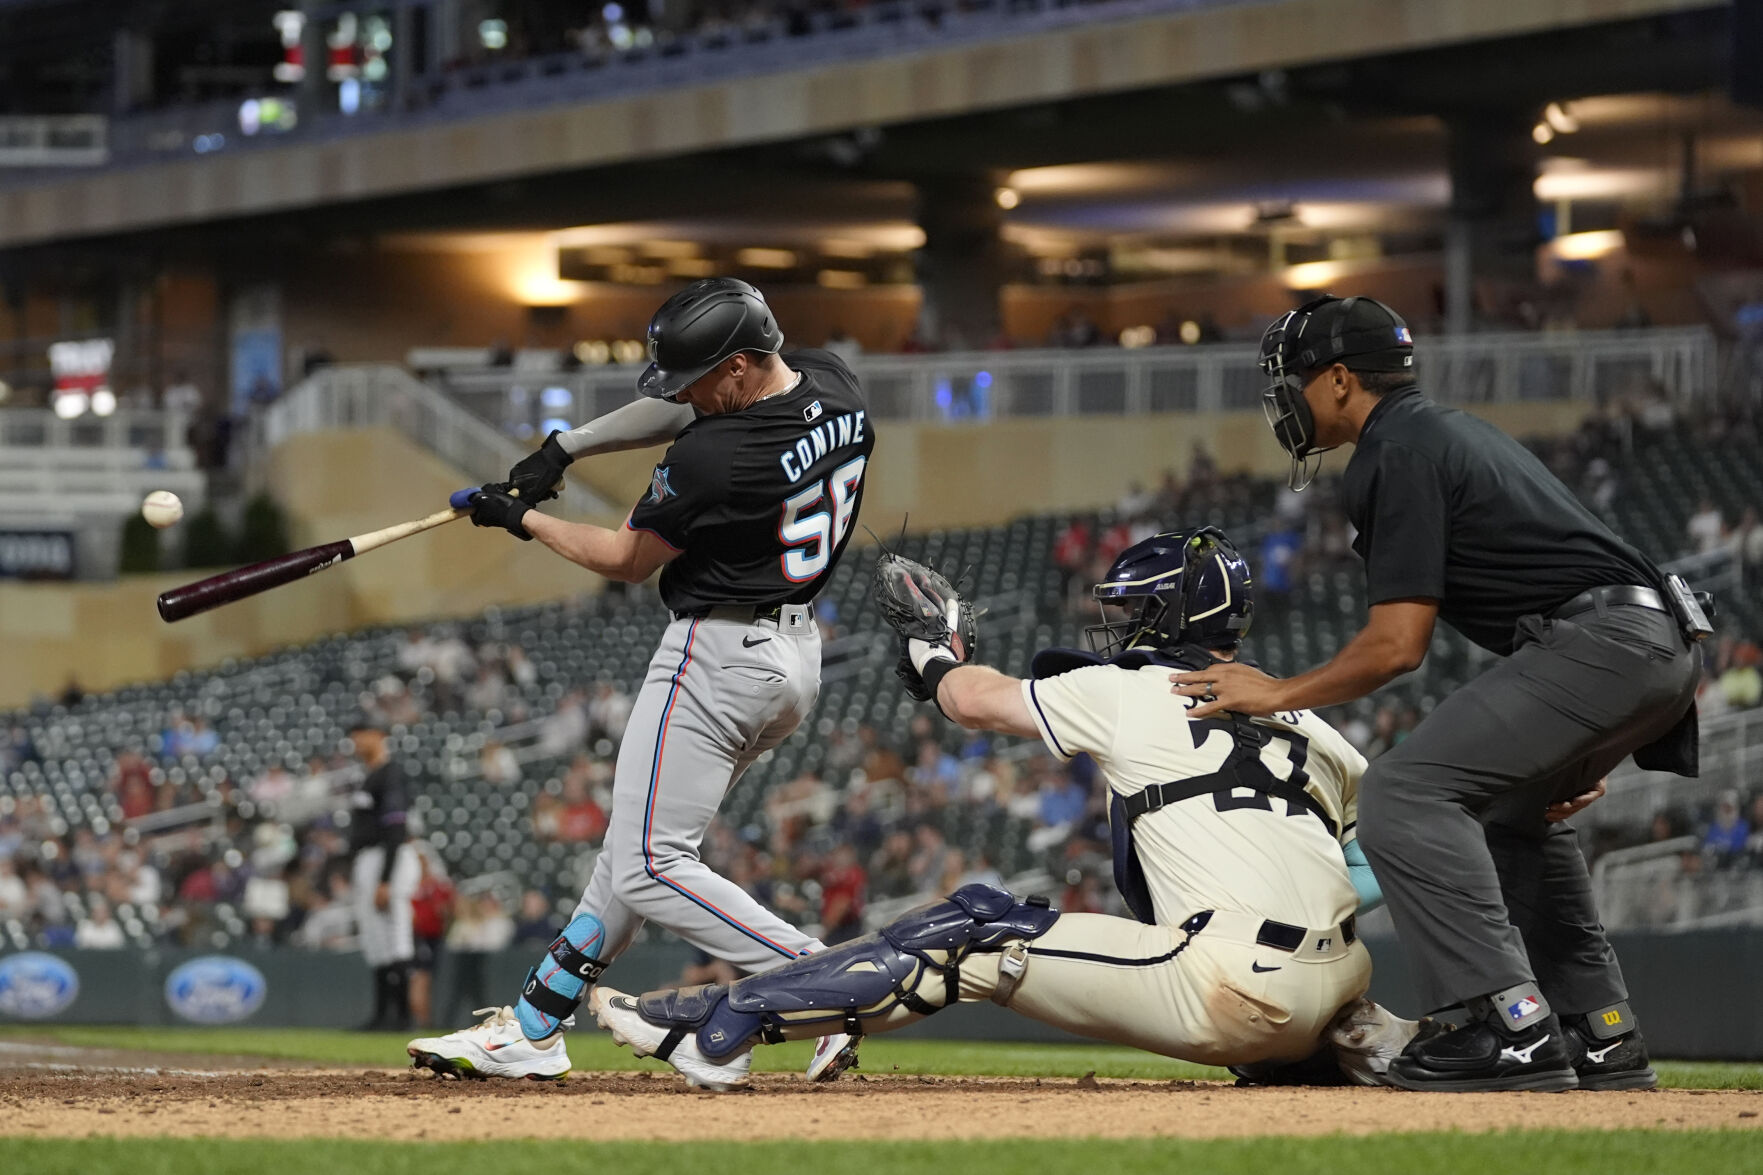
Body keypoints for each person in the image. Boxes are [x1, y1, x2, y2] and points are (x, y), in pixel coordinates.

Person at [589, 530, 1392, 1090]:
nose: (1113, 625)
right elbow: (1365, 871)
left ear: (1161, 617)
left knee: (972, 929)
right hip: (1342, 991)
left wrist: (936, 652)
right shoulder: (1316, 725)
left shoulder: (1130, 690)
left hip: (1232, 989)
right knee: (994, 927)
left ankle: (720, 1027)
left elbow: (971, 702)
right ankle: (1322, 1041)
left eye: (1127, 610)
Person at [1174, 296, 1704, 1092]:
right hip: (1650, 641)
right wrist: (1591, 735)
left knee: (1405, 790)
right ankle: (1598, 1032)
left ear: (1342, 379)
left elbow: (1396, 647)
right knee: (1506, 816)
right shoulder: (1446, 429)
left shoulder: (1395, 451)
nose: (1286, 394)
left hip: (1603, 643)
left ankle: (1499, 1023)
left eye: (1297, 377)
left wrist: (1272, 690)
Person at [408, 278, 874, 1083]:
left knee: (649, 863)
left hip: (715, 654)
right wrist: (565, 447)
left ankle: (821, 980)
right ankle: (533, 1024)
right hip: (791, 656)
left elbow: (624, 560)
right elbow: (691, 410)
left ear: (735, 369)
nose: (682, 395)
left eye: (695, 380)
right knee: (632, 849)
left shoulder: (714, 457)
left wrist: (517, 516)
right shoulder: (832, 382)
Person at [349, 723, 420, 1031]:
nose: (355, 741)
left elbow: (395, 828)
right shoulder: (369, 775)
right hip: (370, 858)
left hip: (389, 857)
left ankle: (403, 1016)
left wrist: (386, 879)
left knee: (396, 934)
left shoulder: (391, 773)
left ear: (380, 736)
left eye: (362, 733)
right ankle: (382, 1016)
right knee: (376, 939)